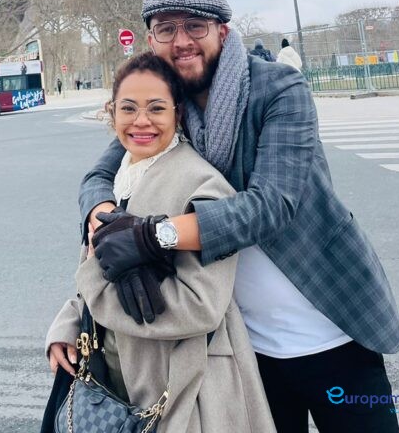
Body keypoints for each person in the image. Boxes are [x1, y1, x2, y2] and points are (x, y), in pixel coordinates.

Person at [80, 0, 399, 433]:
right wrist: (103, 222)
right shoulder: (165, 106)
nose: (182, 40)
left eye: (196, 26)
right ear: (151, 40)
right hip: (246, 352)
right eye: (167, 29)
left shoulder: (279, 88)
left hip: (333, 330)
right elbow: (100, 177)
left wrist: (152, 236)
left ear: (223, 33)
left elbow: (272, 205)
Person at [45, 52, 275, 433]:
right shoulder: (121, 179)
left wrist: (95, 287)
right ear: (111, 113)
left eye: (156, 108)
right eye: (128, 108)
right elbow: (105, 275)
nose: (141, 121)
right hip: (121, 382)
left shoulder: (200, 184)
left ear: (178, 114)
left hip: (187, 390)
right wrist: (68, 324)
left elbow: (201, 307)